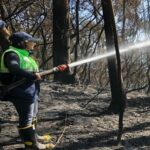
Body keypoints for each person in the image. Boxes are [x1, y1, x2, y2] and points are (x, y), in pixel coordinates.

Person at [0, 31, 58, 149]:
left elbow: (30, 71)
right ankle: (31, 145)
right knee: (26, 118)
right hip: (20, 92)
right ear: (23, 43)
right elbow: (14, 68)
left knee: (33, 115)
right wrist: (31, 75)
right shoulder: (12, 54)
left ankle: (34, 137)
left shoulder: (25, 55)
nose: (33, 43)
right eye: (31, 41)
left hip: (31, 91)